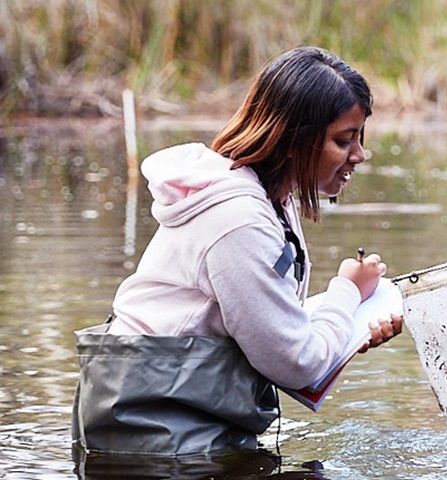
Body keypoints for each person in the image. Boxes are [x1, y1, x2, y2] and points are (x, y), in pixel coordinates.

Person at [71, 46, 403, 456]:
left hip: (176, 410)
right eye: (343, 139)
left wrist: (345, 332)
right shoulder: (239, 217)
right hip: (154, 425)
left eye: (359, 138)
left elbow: (267, 326)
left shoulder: (269, 198)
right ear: (294, 139)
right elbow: (295, 362)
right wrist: (346, 294)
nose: (359, 154)